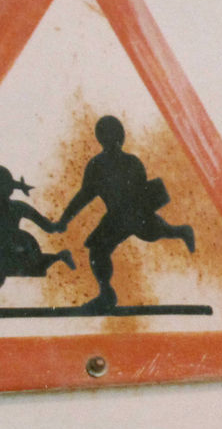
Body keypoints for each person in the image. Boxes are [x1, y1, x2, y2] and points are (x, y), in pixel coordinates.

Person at [56, 114, 194, 310]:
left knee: (149, 234)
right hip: (119, 217)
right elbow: (84, 196)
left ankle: (180, 231)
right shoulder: (98, 165)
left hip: (133, 215)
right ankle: (106, 294)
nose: (110, 139)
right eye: (106, 135)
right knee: (99, 249)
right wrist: (64, 219)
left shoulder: (128, 162)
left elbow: (142, 196)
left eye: (111, 134)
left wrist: (64, 220)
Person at [0, 165, 74, 310]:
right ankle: (59, 256)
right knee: (2, 268)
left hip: (15, 244)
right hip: (12, 245)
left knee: (3, 268)